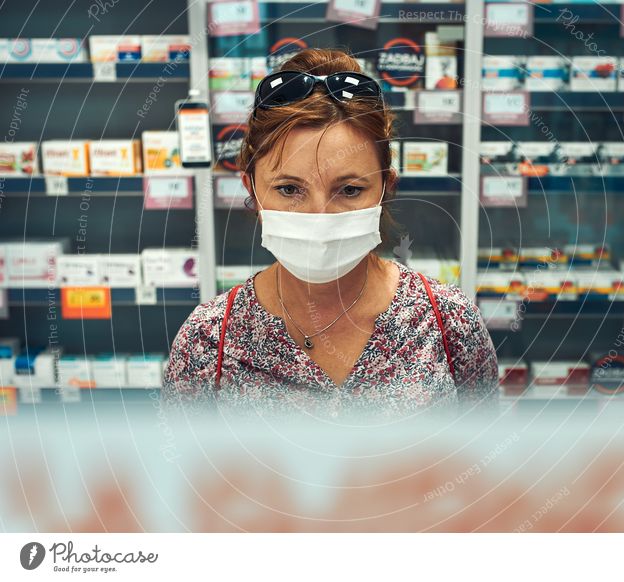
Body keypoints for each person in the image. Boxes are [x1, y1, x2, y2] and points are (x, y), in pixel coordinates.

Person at [162, 48, 499, 419]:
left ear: (386, 188)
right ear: (252, 190)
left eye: (349, 190)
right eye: (289, 189)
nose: (319, 216)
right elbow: (179, 472)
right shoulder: (208, 339)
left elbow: (485, 467)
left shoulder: (449, 320)